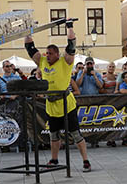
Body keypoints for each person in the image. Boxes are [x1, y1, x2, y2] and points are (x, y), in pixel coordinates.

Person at [24, 19, 91, 172]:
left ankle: (86, 161)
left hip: (67, 104)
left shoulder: (65, 62)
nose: (47, 56)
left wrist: (69, 27)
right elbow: (29, 47)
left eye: (50, 53)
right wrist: (28, 31)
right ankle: (54, 159)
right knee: (54, 135)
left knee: (75, 134)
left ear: (57, 54)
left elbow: (72, 45)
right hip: (51, 105)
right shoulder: (42, 62)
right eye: (46, 53)